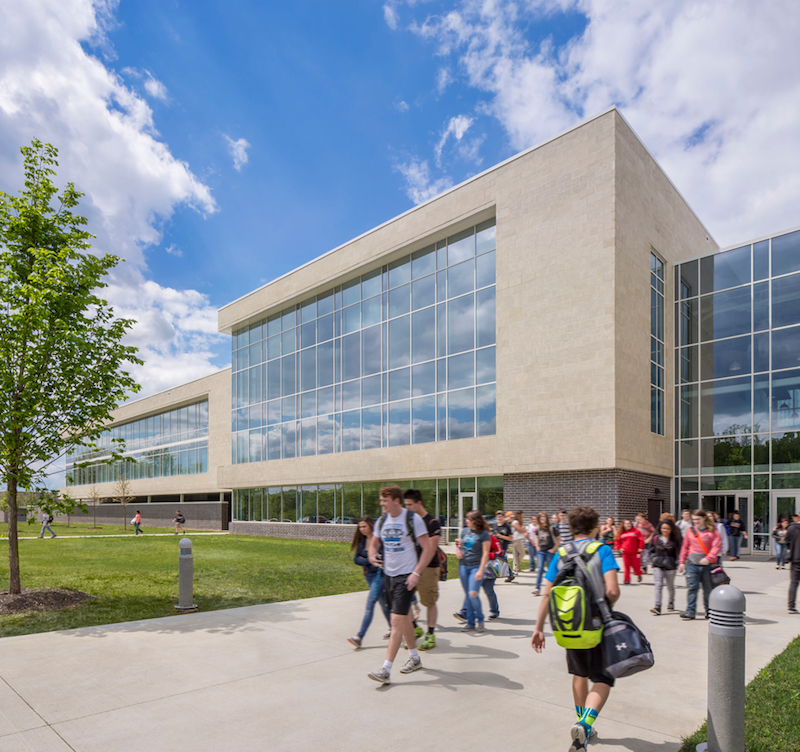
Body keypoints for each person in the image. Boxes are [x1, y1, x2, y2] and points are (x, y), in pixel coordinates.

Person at [531, 505, 620, 751]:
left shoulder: (561, 553)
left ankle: (581, 731)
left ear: (570, 528)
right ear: (595, 527)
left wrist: (538, 628)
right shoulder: (602, 550)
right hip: (596, 625)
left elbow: (547, 593)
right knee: (603, 678)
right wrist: (603, 607)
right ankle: (585, 724)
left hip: (569, 626)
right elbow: (613, 591)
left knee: (579, 674)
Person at [367, 485, 434, 684]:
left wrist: (416, 573)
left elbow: (428, 549)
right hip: (389, 575)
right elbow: (374, 544)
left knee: (396, 621)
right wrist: (372, 556)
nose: (382, 504)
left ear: (396, 500)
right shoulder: (381, 521)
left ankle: (386, 670)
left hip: (406, 577)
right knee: (403, 619)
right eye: (381, 500)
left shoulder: (412, 519)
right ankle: (414, 658)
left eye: (385, 500)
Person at [403, 488, 441, 650]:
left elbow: (431, 549)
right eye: (406, 505)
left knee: (429, 602)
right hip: (408, 568)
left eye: (410, 505)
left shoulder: (432, 523)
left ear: (419, 503)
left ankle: (430, 635)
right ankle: (415, 628)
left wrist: (417, 571)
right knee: (403, 602)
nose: (408, 508)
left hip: (427, 568)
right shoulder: (408, 522)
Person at [348, 516, 391, 648]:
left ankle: (359, 636)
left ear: (372, 526)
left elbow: (381, 560)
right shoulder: (362, 542)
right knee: (384, 605)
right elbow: (356, 560)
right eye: (360, 527)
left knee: (370, 603)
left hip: (380, 576)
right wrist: (369, 560)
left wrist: (367, 560)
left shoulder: (378, 541)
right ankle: (395, 629)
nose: (362, 529)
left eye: (364, 526)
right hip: (369, 576)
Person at [678, 509, 722, 620]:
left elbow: (717, 546)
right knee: (692, 588)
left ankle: (709, 611)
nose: (696, 521)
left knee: (708, 589)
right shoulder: (691, 530)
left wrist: (709, 558)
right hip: (692, 564)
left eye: (698, 519)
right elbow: (685, 547)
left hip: (708, 565)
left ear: (704, 518)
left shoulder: (712, 531)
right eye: (694, 519)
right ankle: (690, 611)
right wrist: (682, 562)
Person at [455, 510, 492, 632]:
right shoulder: (465, 531)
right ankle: (470, 623)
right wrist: (458, 550)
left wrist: (481, 570)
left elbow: (486, 554)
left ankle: (480, 620)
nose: (466, 521)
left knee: (473, 594)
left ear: (474, 521)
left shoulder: (484, 534)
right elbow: (459, 544)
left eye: (468, 519)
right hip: (463, 566)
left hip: (476, 567)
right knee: (468, 595)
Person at [455, 531, 504, 621]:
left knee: (488, 591)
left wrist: (486, 555)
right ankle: (464, 612)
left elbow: (499, 551)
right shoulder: (471, 537)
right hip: (475, 567)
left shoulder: (490, 537)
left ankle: (494, 611)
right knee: (471, 591)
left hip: (489, 567)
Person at [648, 519, 681, 614]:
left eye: (667, 528)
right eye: (663, 528)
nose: (665, 530)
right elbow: (651, 550)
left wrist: (677, 563)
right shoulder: (655, 538)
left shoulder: (675, 540)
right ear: (660, 529)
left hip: (671, 566)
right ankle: (657, 606)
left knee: (670, 586)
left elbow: (678, 553)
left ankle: (671, 602)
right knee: (658, 585)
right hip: (658, 565)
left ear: (671, 529)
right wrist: (654, 559)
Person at [533, 511, 557, 596]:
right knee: (540, 569)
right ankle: (537, 588)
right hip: (541, 552)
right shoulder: (538, 528)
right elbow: (536, 537)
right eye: (540, 517)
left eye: (543, 517)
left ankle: (553, 588)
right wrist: (537, 546)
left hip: (549, 552)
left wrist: (554, 549)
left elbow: (559, 538)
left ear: (546, 518)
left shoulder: (551, 528)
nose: (542, 518)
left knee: (551, 570)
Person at [614, 519, 644, 584]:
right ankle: (626, 580)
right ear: (623, 525)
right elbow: (617, 541)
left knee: (636, 566)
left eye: (629, 523)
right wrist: (619, 548)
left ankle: (639, 574)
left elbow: (641, 540)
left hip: (635, 552)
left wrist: (640, 547)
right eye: (627, 524)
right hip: (625, 553)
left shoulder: (636, 531)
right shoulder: (620, 533)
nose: (628, 525)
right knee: (626, 567)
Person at [492, 510, 514, 581]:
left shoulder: (507, 527)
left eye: (501, 516)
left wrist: (501, 536)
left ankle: (493, 579)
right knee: (501, 561)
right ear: (496, 517)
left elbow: (511, 538)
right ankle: (510, 575)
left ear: (503, 517)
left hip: (503, 547)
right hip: (495, 547)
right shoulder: (494, 525)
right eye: (498, 517)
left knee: (498, 562)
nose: (499, 518)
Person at [786, 511, 800, 614]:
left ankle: (791, 606)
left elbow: (787, 541)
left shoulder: (791, 528)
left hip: (796, 558)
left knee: (794, 583)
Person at [510, 510, 527, 575]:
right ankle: (516, 567)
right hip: (517, 539)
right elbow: (520, 530)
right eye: (522, 514)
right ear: (519, 515)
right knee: (522, 553)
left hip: (518, 539)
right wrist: (524, 530)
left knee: (516, 555)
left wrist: (523, 530)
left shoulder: (518, 522)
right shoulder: (515, 521)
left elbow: (520, 529)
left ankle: (516, 568)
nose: (523, 516)